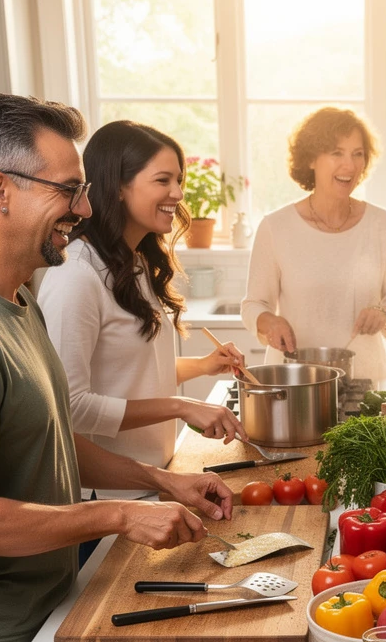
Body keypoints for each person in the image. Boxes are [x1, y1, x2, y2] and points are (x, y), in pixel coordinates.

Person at [0, 95, 233, 642]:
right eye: (69, 189)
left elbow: (54, 442)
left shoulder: (17, 301)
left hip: (46, 603)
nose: (86, 209)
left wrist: (159, 481)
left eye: (85, 190)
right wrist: (120, 516)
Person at [38, 121, 248, 508]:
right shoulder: (76, 275)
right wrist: (182, 405)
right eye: (163, 180)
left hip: (150, 481)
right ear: (118, 186)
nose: (178, 193)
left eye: (179, 180)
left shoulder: (132, 262)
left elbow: (132, 373)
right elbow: (70, 407)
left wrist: (202, 366)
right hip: (106, 497)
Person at [241, 107, 386, 385]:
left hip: (366, 378)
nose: (350, 165)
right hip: (294, 380)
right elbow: (253, 305)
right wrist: (270, 322)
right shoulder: (276, 227)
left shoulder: (384, 226)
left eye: (358, 154)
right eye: (336, 153)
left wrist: (383, 313)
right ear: (310, 159)